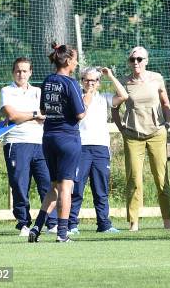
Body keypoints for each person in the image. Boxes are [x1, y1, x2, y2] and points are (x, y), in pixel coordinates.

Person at [28, 43, 86, 243]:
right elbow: (80, 114)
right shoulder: (71, 84)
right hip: (68, 138)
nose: (77, 63)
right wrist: (86, 101)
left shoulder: (48, 81)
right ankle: (62, 233)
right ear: (68, 61)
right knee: (65, 188)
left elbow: (44, 110)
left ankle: (36, 227)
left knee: (53, 187)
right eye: (75, 59)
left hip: (48, 138)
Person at [111, 46, 170, 231]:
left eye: (139, 59)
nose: (136, 62)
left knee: (161, 177)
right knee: (134, 179)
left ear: (146, 61)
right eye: (132, 59)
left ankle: (167, 221)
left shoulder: (157, 78)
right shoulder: (124, 82)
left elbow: (165, 102)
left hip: (156, 133)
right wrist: (121, 128)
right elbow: (114, 108)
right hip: (132, 136)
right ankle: (134, 222)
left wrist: (167, 123)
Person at [0, 57, 56, 236]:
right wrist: (33, 114)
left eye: (25, 71)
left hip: (40, 142)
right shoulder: (6, 91)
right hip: (16, 143)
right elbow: (13, 116)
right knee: (19, 184)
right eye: (18, 70)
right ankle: (23, 223)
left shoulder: (38, 92)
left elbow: (46, 115)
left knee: (47, 183)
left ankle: (50, 222)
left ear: (30, 72)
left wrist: (27, 116)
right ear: (13, 72)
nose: (21, 74)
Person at [68, 66, 128, 234]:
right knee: (77, 188)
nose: (90, 83)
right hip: (81, 147)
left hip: (101, 148)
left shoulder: (104, 98)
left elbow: (124, 96)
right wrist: (87, 95)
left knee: (100, 189)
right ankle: (71, 224)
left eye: (94, 80)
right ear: (81, 81)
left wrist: (110, 75)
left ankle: (104, 224)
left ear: (99, 83)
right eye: (86, 80)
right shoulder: (77, 98)